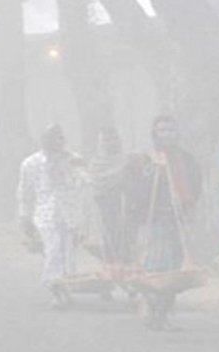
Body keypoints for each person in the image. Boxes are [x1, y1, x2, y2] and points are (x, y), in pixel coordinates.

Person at [133, 115, 202, 330]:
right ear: (155, 133)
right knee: (156, 266)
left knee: (174, 267)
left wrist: (187, 207)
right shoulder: (146, 159)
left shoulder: (186, 159)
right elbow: (138, 190)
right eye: (162, 130)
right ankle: (152, 306)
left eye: (171, 130)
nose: (167, 135)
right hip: (154, 218)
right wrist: (155, 170)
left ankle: (163, 310)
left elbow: (195, 186)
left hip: (178, 218)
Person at [17, 124, 87, 309]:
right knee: (53, 250)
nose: (54, 142)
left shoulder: (74, 159)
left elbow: (85, 185)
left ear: (63, 140)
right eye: (49, 138)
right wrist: (25, 217)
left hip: (71, 214)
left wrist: (73, 171)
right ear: (42, 141)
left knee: (68, 254)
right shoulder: (30, 163)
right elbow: (25, 192)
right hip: (45, 215)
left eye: (58, 138)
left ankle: (66, 289)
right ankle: (55, 290)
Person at [87, 127, 139, 266]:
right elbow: (96, 182)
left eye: (114, 138)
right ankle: (113, 265)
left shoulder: (129, 159)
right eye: (106, 140)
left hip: (128, 205)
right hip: (106, 205)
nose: (111, 142)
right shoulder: (95, 164)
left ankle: (129, 263)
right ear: (100, 143)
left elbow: (138, 182)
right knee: (110, 235)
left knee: (128, 236)